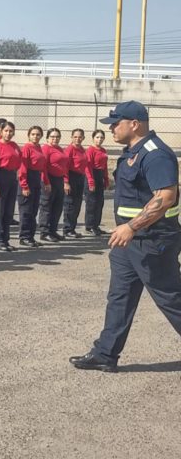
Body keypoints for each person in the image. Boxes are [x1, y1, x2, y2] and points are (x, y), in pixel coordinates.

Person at [70, 101, 181, 372]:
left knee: (171, 298)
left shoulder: (155, 154)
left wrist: (131, 227)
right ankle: (105, 354)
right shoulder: (133, 151)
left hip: (152, 240)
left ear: (134, 124)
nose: (111, 129)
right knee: (120, 296)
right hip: (129, 242)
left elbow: (166, 197)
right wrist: (128, 231)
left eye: (115, 123)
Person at [0, 121, 21, 252]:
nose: (8, 133)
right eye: (6, 131)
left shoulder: (14, 145)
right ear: (1, 132)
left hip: (11, 178)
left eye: (11, 131)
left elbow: (19, 161)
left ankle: (5, 239)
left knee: (8, 211)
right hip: (0, 177)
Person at [18, 126, 49, 247]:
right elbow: (23, 167)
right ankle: (24, 237)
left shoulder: (38, 147)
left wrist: (46, 181)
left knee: (34, 210)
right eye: (33, 134)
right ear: (29, 135)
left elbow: (43, 166)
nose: (35, 136)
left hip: (36, 178)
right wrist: (24, 186)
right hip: (28, 178)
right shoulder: (27, 148)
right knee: (26, 210)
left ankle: (31, 236)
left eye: (38, 134)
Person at [38, 128, 67, 243]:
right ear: (47, 138)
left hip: (59, 180)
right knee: (47, 206)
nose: (55, 139)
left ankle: (53, 230)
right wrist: (46, 182)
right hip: (49, 179)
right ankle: (44, 232)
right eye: (52, 137)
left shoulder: (59, 149)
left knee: (57, 206)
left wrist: (65, 180)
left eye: (57, 137)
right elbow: (43, 166)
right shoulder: (46, 149)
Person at [63, 128, 89, 238]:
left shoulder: (82, 150)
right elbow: (65, 167)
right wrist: (66, 182)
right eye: (75, 137)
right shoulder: (69, 150)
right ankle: (67, 229)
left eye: (80, 137)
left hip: (80, 177)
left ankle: (72, 228)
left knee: (77, 204)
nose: (77, 139)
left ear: (83, 138)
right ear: (71, 137)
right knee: (70, 204)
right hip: (71, 176)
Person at [85, 129, 109, 236]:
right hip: (92, 174)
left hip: (100, 175)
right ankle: (89, 226)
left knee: (99, 202)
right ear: (93, 138)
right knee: (92, 203)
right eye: (97, 137)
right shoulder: (90, 150)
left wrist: (106, 179)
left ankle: (96, 225)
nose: (99, 139)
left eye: (101, 137)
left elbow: (105, 166)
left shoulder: (103, 150)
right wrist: (91, 181)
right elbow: (88, 166)